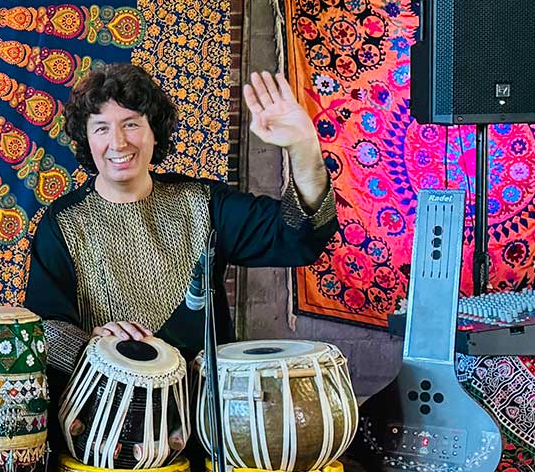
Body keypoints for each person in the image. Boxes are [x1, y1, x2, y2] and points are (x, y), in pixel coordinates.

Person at [25, 63, 337, 380]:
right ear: (87, 140)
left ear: (154, 133)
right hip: (105, 417)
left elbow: (297, 235)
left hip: (201, 415)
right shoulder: (62, 222)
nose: (118, 143)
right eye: (101, 128)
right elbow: (44, 329)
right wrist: (94, 346)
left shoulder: (203, 203)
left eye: (131, 124)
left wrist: (304, 147)